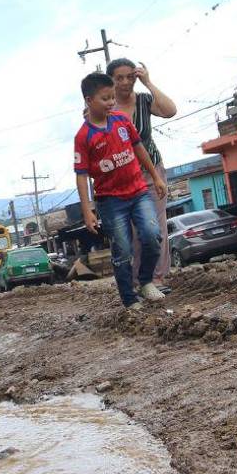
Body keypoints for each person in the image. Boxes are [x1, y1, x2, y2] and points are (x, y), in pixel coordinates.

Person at [74, 72, 167, 310]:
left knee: (152, 235)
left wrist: (156, 177)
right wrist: (87, 210)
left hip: (138, 192)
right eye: (105, 98)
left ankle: (146, 282)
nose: (111, 103)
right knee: (123, 249)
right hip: (111, 201)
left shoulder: (122, 121)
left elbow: (139, 149)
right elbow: (81, 175)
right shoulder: (83, 137)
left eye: (112, 98)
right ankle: (129, 298)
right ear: (89, 100)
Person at [106, 58, 177, 288]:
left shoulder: (145, 101)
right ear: (110, 81)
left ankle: (156, 277)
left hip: (152, 171)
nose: (126, 82)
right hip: (123, 178)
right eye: (119, 78)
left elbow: (170, 110)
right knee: (135, 231)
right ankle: (139, 280)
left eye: (130, 77)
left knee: (156, 227)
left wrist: (148, 82)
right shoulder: (106, 110)